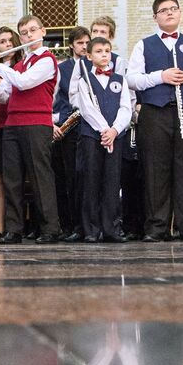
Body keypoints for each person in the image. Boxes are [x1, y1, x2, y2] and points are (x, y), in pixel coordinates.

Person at [126, 0, 183, 242]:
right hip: (155, 112)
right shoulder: (144, 45)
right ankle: (156, 227)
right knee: (156, 169)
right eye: (163, 10)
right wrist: (160, 77)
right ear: (155, 17)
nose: (169, 13)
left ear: (179, 13)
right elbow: (132, 79)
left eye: (173, 9)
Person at [0, 14, 59, 244]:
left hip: (36, 124)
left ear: (43, 32)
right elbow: (5, 96)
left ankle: (50, 228)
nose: (29, 36)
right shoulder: (17, 65)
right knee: (12, 179)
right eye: (24, 33)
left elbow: (24, 82)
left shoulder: (47, 60)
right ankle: (14, 229)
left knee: (40, 177)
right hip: (13, 125)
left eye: (33, 31)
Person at [69, 35, 133, 242]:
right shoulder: (83, 80)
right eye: (98, 51)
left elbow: (126, 108)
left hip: (115, 137)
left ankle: (112, 228)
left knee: (113, 182)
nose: (104, 55)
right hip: (92, 136)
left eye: (107, 51)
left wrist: (114, 130)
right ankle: (91, 230)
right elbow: (86, 109)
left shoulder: (120, 80)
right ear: (88, 56)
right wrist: (104, 130)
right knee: (91, 181)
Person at [52, 26, 91, 242]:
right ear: (71, 45)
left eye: (87, 42)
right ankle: (71, 224)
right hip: (69, 128)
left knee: (88, 178)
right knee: (70, 178)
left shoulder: (96, 65)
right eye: (80, 43)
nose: (84, 47)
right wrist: (54, 121)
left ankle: (89, 224)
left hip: (91, 128)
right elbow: (54, 98)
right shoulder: (62, 68)